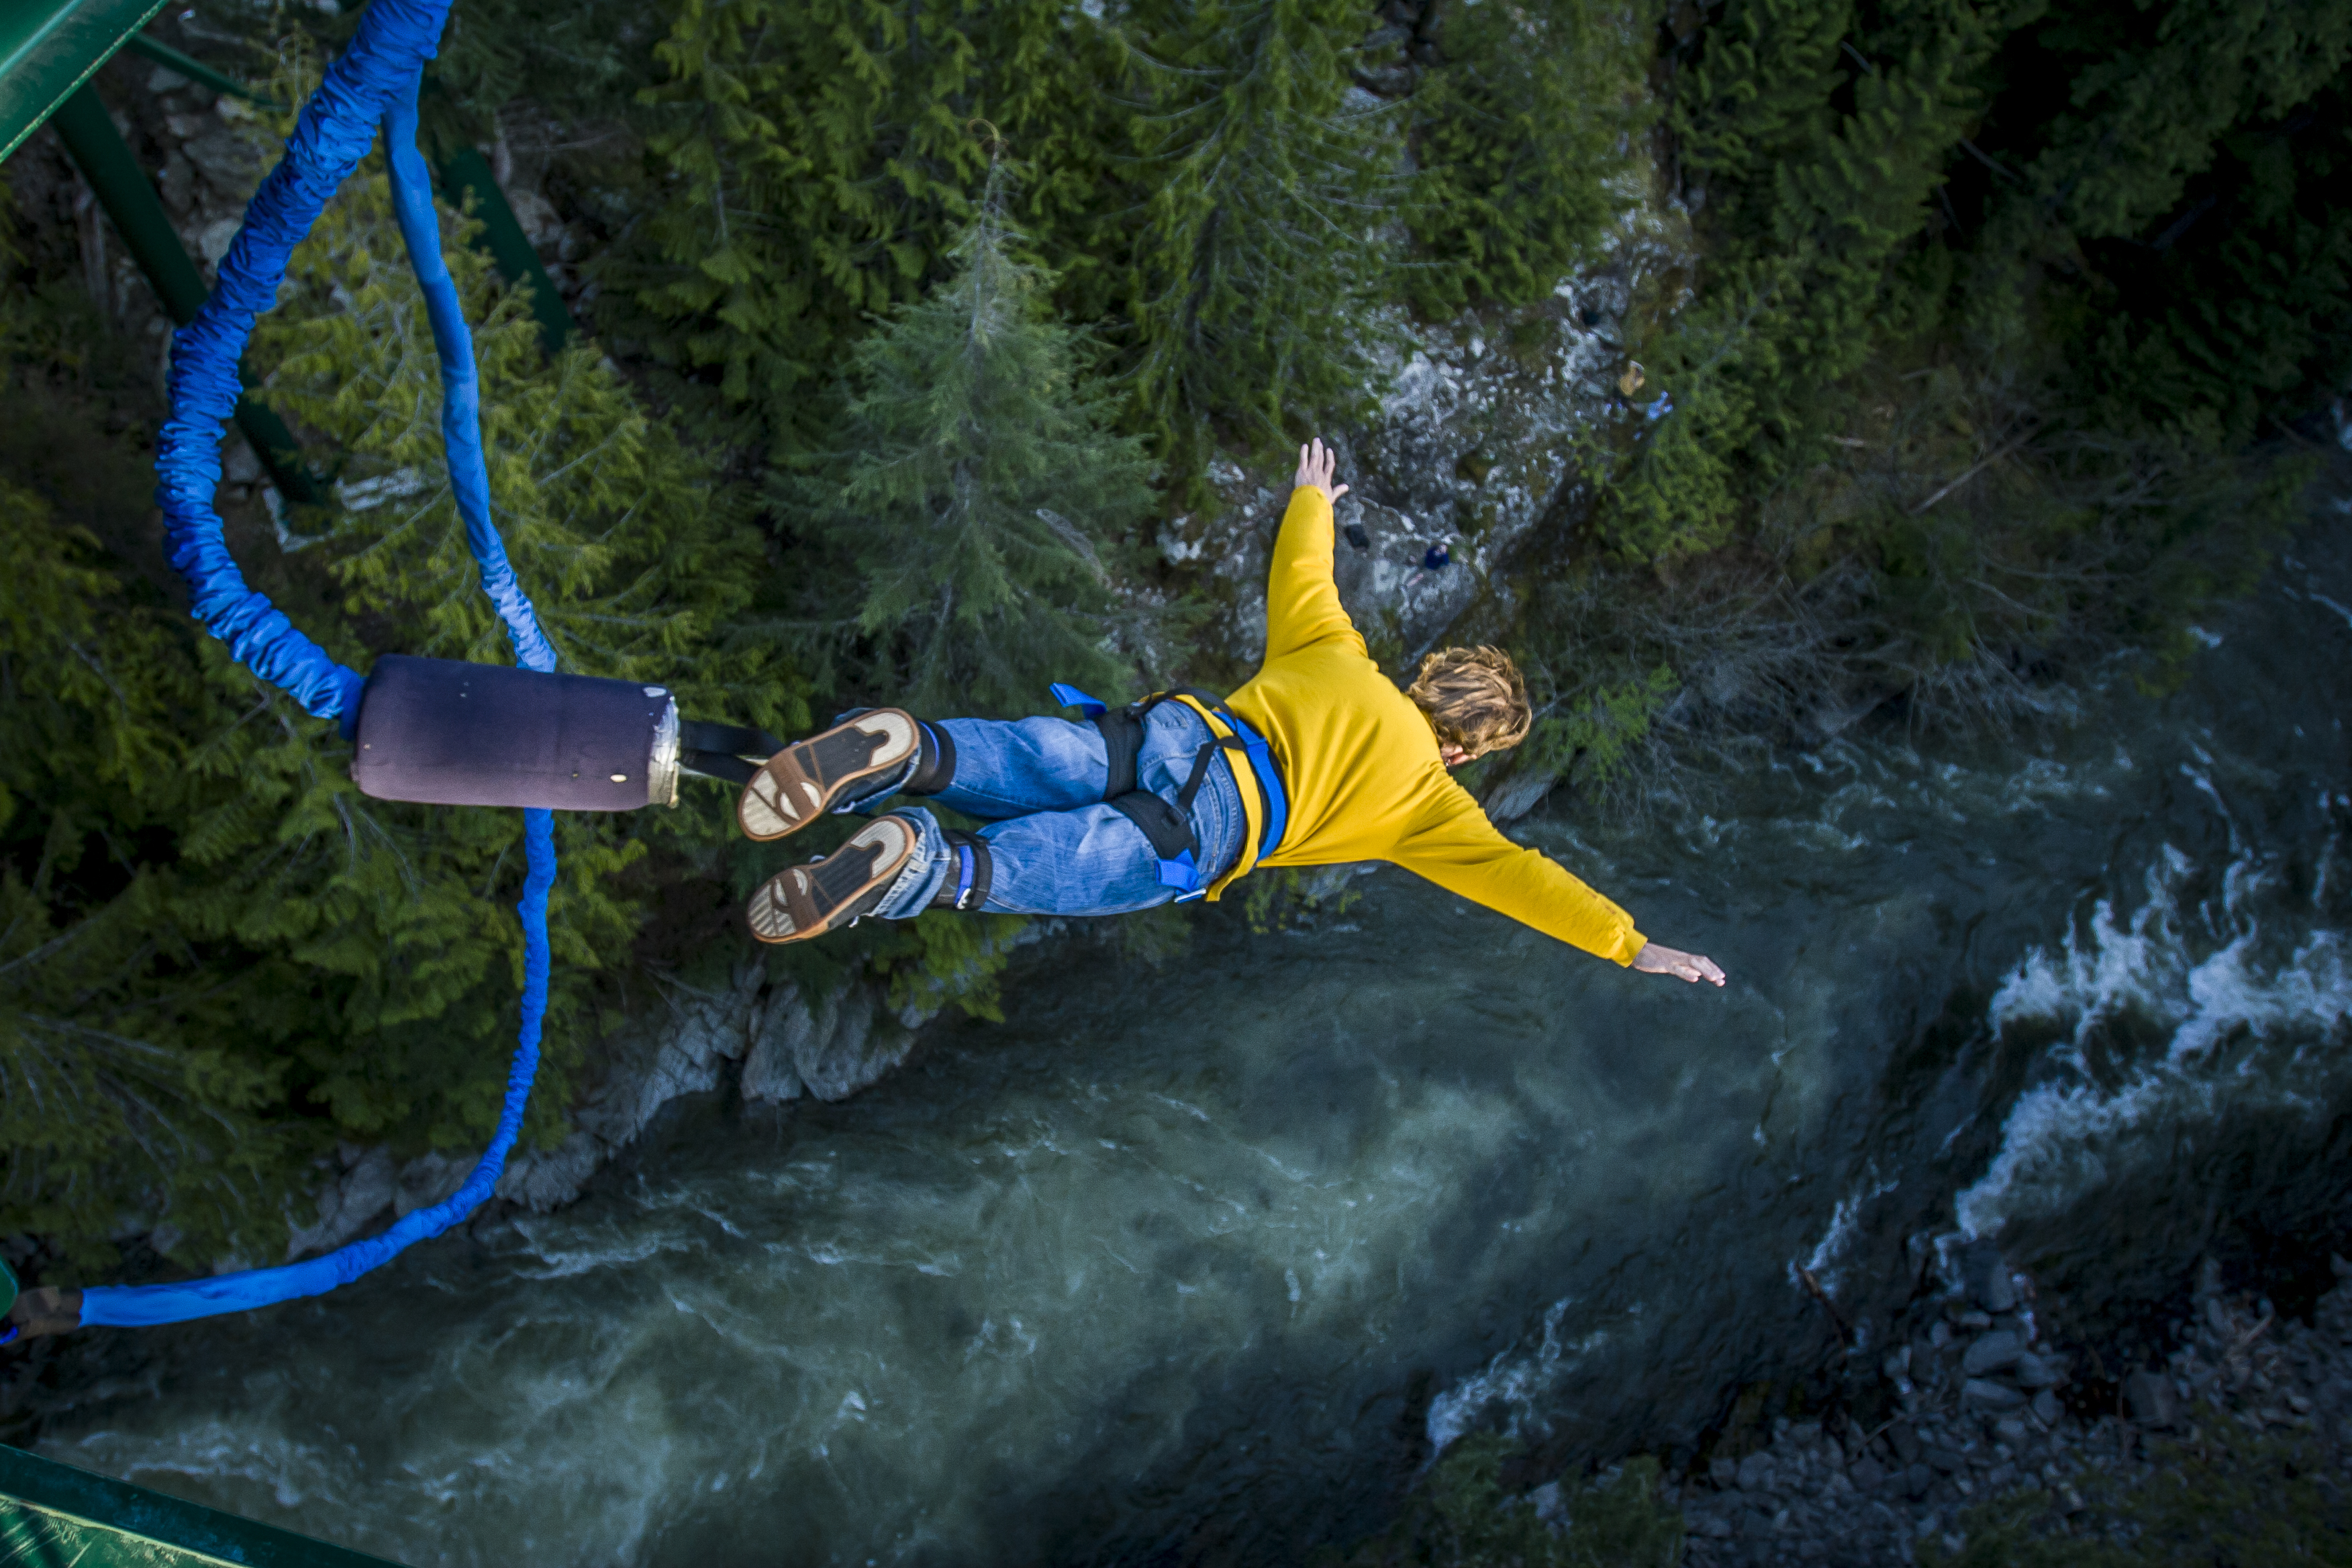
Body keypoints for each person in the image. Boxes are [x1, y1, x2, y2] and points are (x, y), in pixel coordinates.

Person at [736, 439, 1727, 987]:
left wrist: (1313, 497)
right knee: (1046, 868)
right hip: (1213, 828)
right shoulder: (1432, 807)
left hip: (1176, 733)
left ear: (1427, 676)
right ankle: (922, 862)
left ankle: (913, 749)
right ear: (1464, 750)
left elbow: (1303, 570)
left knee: (1042, 757)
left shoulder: (1336, 651)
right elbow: (1524, 882)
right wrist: (1632, 944)